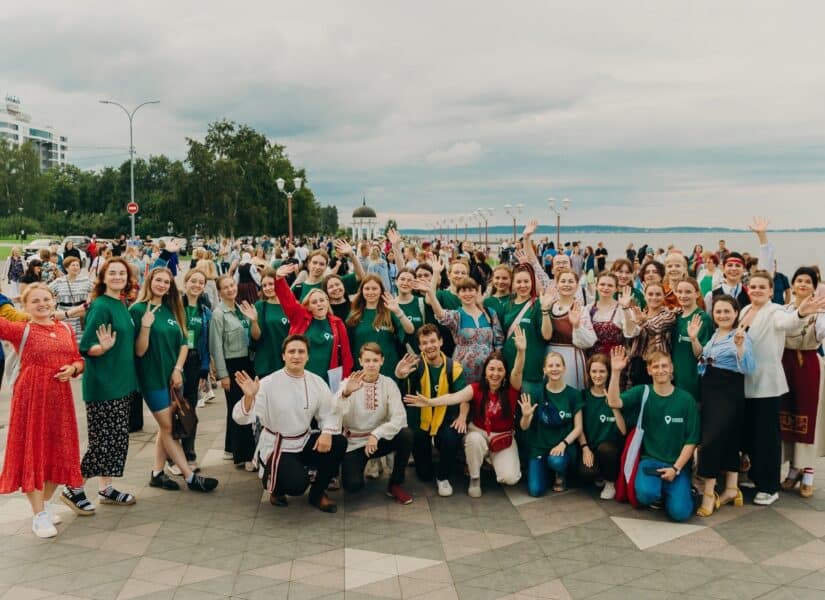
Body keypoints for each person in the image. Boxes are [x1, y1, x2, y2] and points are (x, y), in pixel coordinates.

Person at [0, 284, 85, 538]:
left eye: (46, 299)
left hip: (60, 401)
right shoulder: (21, 329)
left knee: (60, 452)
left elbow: (78, 358)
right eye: (35, 301)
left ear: (53, 301)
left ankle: (45, 505)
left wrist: (73, 369)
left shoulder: (66, 329)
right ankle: (38, 515)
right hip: (31, 400)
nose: (42, 304)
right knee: (33, 452)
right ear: (25, 307)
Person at [737, 269, 825, 505]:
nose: (756, 290)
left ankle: (769, 487)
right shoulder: (745, 310)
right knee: (751, 433)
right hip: (746, 382)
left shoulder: (775, 311)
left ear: (770, 291)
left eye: (762, 287)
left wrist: (801, 312)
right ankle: (755, 477)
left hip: (768, 385)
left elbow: (789, 323)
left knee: (767, 437)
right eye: (753, 286)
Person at [232, 335, 346, 513]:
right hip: (278, 445)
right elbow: (240, 418)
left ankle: (317, 493)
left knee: (338, 442)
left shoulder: (316, 381)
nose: (296, 356)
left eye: (301, 352)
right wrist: (249, 397)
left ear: (308, 356)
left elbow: (329, 411)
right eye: (291, 351)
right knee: (297, 484)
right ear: (283, 356)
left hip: (303, 439)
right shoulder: (268, 383)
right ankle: (277, 489)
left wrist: (326, 433)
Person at [130, 268, 219, 492]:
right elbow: (139, 351)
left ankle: (157, 473)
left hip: (174, 377)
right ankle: (190, 477)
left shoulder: (172, 308)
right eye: (158, 280)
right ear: (149, 281)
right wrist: (146, 326)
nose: (162, 285)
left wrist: (178, 369)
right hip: (152, 378)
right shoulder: (138, 310)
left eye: (166, 282)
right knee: (168, 427)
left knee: (165, 426)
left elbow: (183, 343)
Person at [62, 258, 140, 515]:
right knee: (103, 441)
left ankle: (106, 488)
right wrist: (102, 348)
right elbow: (86, 347)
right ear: (104, 277)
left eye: (122, 273)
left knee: (116, 439)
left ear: (128, 278)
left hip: (122, 383)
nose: (117, 277)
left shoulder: (121, 303)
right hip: (104, 386)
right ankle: (74, 487)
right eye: (112, 273)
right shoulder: (101, 306)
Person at [607, 347, 700, 522]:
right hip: (650, 461)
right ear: (649, 370)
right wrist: (616, 372)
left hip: (677, 465)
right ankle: (659, 492)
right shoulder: (643, 392)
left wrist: (675, 469)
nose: (660, 370)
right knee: (645, 495)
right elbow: (614, 402)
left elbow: (691, 440)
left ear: (671, 368)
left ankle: (678, 491)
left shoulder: (686, 400)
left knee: (680, 514)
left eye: (664, 366)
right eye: (655, 367)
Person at [695, 295, 755, 517]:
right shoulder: (714, 334)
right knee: (728, 438)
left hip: (728, 390)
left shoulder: (741, 335)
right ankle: (731, 488)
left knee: (710, 441)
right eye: (718, 311)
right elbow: (702, 360)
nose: (722, 315)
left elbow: (749, 367)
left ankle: (708, 493)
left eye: (727, 311)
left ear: (736, 313)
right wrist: (694, 341)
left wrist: (740, 347)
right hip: (710, 388)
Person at [395, 324, 468, 497]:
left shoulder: (454, 368)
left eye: (433, 341)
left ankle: (443, 477)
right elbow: (403, 393)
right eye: (425, 343)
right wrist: (400, 376)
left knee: (452, 436)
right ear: (420, 346)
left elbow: (464, 396)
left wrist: (462, 417)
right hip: (421, 421)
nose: (429, 346)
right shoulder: (415, 365)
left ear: (441, 341)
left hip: (444, 418)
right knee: (424, 475)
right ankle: (427, 458)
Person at [337, 343, 414, 504]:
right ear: (360, 361)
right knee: (352, 486)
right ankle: (358, 465)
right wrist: (346, 394)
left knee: (406, 434)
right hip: (355, 443)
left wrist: (376, 434)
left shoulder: (388, 384)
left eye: (375, 360)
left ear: (382, 361)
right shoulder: (348, 383)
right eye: (367, 360)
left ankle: (395, 484)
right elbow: (335, 413)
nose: (371, 364)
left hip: (379, 440)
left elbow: (399, 418)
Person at [779, 267, 825, 497]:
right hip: (784, 365)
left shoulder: (820, 314)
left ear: (814, 287)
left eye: (808, 281)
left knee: (808, 419)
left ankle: (808, 473)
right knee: (786, 416)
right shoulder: (784, 310)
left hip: (808, 366)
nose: (803, 284)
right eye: (799, 280)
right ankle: (793, 469)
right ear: (793, 284)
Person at [209, 274, 260, 469]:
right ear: (220, 292)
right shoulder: (218, 314)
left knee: (239, 406)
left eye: (232, 285)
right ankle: (244, 456)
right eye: (226, 287)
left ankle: (230, 448)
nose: (230, 289)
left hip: (247, 361)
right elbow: (216, 346)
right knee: (240, 408)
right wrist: (223, 375)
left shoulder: (241, 309)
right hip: (232, 364)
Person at [274, 263, 353, 384]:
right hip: (300, 377)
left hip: (326, 380)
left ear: (327, 302)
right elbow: (288, 301)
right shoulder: (301, 318)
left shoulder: (337, 323)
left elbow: (346, 354)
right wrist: (279, 279)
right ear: (309, 307)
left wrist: (345, 381)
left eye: (322, 300)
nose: (319, 304)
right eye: (314, 302)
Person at [520, 351, 584, 496]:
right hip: (539, 448)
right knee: (536, 490)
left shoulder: (573, 394)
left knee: (556, 461)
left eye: (558, 365)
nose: (554, 369)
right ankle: (544, 471)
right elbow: (524, 426)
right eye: (550, 366)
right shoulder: (537, 393)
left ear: (564, 368)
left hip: (561, 449)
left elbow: (578, 428)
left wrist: (563, 444)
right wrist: (526, 416)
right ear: (544, 370)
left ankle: (560, 473)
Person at [427, 277, 503, 383]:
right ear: (458, 294)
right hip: (463, 369)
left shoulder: (490, 313)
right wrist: (431, 293)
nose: (467, 294)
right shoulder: (456, 315)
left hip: (488, 370)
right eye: (463, 290)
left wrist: (497, 363)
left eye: (471, 290)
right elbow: (440, 314)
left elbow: (499, 341)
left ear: (477, 292)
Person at [578, 353, 626, 500]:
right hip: (591, 447)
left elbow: (623, 431)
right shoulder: (583, 395)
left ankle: (610, 482)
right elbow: (578, 427)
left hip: (611, 449)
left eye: (602, 371)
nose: (597, 375)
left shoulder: (618, 396)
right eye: (594, 371)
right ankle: (600, 474)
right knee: (586, 473)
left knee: (606, 449)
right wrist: (585, 448)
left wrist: (613, 405)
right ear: (589, 373)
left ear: (608, 373)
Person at [346, 274, 413, 378]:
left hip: (388, 368)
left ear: (381, 291)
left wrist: (398, 311)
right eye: (367, 288)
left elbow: (410, 330)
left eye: (374, 288)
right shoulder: (354, 314)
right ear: (362, 291)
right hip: (363, 370)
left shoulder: (389, 311)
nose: (370, 292)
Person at [179, 268, 212, 468]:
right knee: (174, 409)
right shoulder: (175, 306)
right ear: (186, 282)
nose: (197, 285)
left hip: (193, 361)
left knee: (190, 410)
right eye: (193, 281)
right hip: (176, 363)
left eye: (201, 282)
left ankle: (189, 452)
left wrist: (205, 369)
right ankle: (172, 456)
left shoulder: (205, 312)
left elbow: (206, 343)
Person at [546, 269, 596, 389]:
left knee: (570, 390)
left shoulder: (581, 310)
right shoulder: (548, 306)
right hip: (549, 355)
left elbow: (590, 341)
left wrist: (577, 325)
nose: (566, 284)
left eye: (570, 281)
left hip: (572, 357)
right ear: (557, 284)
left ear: (577, 285)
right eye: (563, 281)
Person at [627, 282, 676, 387]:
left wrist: (643, 322)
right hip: (638, 363)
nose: (654, 297)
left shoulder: (669, 315)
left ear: (664, 296)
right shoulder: (640, 313)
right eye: (650, 294)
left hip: (659, 364)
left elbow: (655, 328)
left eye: (658, 294)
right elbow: (630, 334)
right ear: (645, 296)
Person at [671, 278, 713, 402]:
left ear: (697, 293)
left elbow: (702, 356)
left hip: (693, 380)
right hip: (675, 378)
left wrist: (693, 339)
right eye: (680, 291)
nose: (683, 295)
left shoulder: (702, 318)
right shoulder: (676, 317)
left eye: (688, 292)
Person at [586, 273, 638, 357]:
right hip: (592, 358)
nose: (605, 288)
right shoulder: (588, 308)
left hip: (615, 358)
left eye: (610, 285)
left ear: (616, 289)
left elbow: (631, 332)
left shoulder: (621, 308)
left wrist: (626, 308)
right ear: (596, 286)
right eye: (602, 284)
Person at [252, 269, 290, 378]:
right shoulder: (260, 306)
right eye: (264, 285)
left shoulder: (291, 304)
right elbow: (256, 337)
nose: (267, 288)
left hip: (289, 360)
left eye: (271, 284)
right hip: (267, 364)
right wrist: (254, 321)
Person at [48, 256, 92, 336]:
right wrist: (52, 307)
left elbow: (97, 292)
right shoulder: (59, 281)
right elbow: (46, 291)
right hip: (64, 316)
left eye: (77, 265)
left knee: (80, 339)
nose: (76, 267)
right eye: (73, 265)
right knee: (65, 337)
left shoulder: (85, 280)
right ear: (66, 268)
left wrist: (90, 301)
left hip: (80, 316)